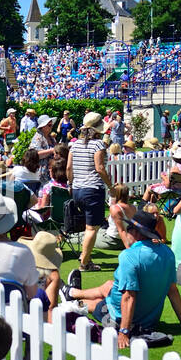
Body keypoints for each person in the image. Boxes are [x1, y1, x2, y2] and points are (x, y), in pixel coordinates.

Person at [61, 212, 181, 344]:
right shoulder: (167, 253)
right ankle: (72, 292)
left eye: (129, 229)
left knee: (96, 303)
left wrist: (124, 332)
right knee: (109, 285)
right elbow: (173, 291)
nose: (125, 233)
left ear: (137, 233)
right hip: (150, 320)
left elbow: (129, 297)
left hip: (123, 318)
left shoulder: (129, 256)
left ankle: (72, 300)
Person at [68, 111, 111, 271]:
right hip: (92, 189)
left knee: (89, 227)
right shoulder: (98, 145)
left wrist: (70, 184)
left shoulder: (75, 144)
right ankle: (84, 263)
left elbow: (69, 168)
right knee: (92, 228)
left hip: (77, 189)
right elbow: (100, 168)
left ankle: (86, 256)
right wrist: (111, 187)